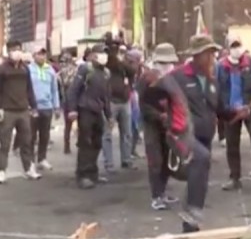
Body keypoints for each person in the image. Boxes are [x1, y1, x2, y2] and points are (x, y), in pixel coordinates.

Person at [171, 35, 249, 232]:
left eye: (213, 54)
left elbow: (220, 109)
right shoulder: (178, 76)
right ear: (197, 56)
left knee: (199, 177)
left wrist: (237, 112)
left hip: (205, 136)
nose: (212, 59)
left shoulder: (212, 80)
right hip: (184, 135)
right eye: (208, 54)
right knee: (201, 160)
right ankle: (193, 212)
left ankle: (190, 224)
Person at [217, 37, 251, 195]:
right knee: (232, 145)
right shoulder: (221, 66)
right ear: (228, 48)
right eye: (233, 46)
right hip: (231, 111)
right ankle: (235, 178)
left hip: (250, 109)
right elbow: (218, 89)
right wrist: (221, 110)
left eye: (238, 45)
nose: (236, 49)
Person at [138, 43, 187, 210]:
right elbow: (143, 105)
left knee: (167, 159)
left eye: (169, 63)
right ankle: (156, 196)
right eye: (163, 63)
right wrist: (159, 116)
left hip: (168, 125)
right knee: (155, 159)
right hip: (152, 124)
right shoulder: (146, 79)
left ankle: (163, 192)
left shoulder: (174, 78)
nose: (167, 66)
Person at [0, 41, 40, 184]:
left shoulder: (25, 69)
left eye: (18, 49)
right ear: (8, 52)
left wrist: (34, 107)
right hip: (7, 111)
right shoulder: (1, 70)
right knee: (5, 143)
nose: (16, 52)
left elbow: (29, 89)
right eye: (13, 49)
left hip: (24, 110)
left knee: (26, 141)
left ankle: (29, 168)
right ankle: (1, 171)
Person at [67, 44, 112, 189]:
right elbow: (74, 90)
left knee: (97, 142)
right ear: (92, 55)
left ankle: (93, 173)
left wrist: (109, 115)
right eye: (100, 53)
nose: (104, 56)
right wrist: (72, 110)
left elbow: (106, 96)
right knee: (85, 142)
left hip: (98, 111)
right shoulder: (86, 69)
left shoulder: (106, 73)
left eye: (105, 53)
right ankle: (83, 175)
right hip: (85, 109)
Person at [103, 36, 138, 172]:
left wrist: (122, 58)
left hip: (124, 100)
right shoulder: (108, 61)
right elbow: (112, 64)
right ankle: (109, 164)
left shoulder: (124, 62)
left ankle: (126, 160)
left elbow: (132, 71)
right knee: (107, 134)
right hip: (110, 101)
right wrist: (113, 53)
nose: (117, 49)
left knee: (127, 133)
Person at [29, 48, 60, 170]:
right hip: (33, 107)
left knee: (45, 135)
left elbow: (55, 90)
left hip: (47, 107)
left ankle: (42, 159)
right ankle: (30, 161)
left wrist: (56, 106)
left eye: (43, 54)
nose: (42, 57)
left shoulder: (50, 70)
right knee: (31, 136)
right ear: (34, 55)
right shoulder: (28, 70)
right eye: (39, 54)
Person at [58, 50, 79, 153]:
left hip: (66, 99)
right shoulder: (76, 70)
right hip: (76, 99)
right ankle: (80, 143)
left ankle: (67, 146)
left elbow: (61, 86)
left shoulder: (60, 73)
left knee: (67, 125)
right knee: (80, 122)